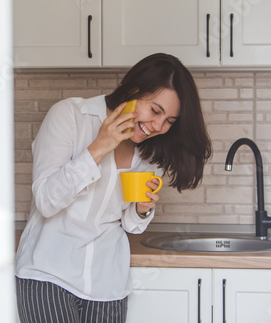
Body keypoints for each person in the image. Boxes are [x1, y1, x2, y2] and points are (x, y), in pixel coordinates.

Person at [15, 53, 212, 323]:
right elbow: (47, 200)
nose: (158, 126)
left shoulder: (150, 152)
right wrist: (98, 148)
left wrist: (142, 210)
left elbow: (129, 225)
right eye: (155, 110)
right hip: (50, 272)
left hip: (107, 283)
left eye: (169, 121)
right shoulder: (71, 116)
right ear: (133, 89)